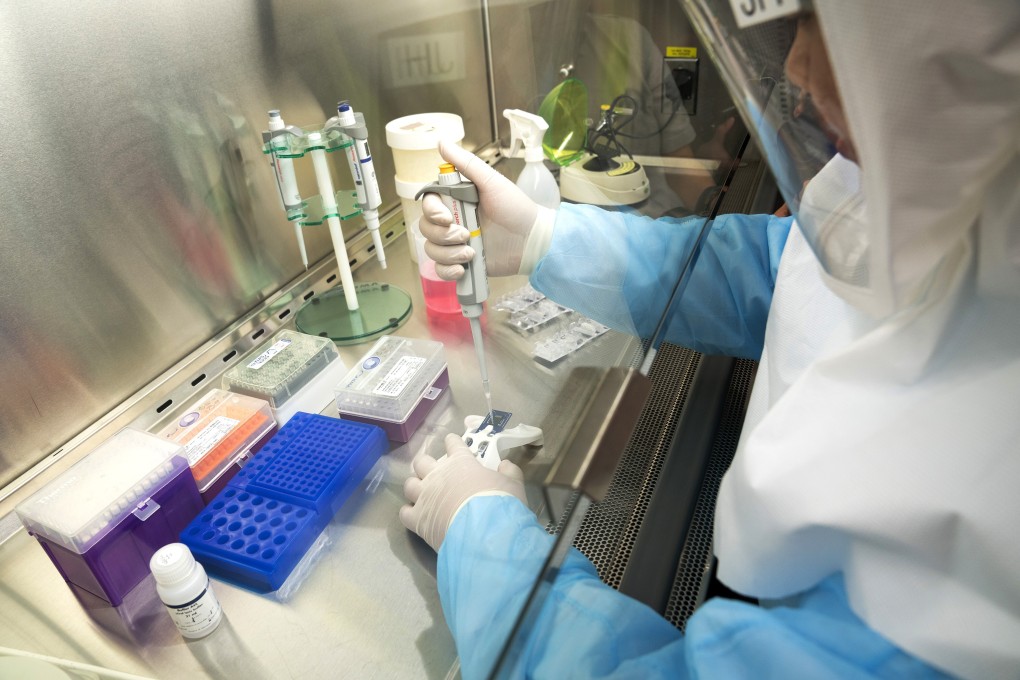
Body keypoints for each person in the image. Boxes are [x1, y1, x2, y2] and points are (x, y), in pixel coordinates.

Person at [400, 2, 1020, 678]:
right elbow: (786, 269)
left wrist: (487, 543)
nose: (796, 65)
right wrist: (548, 236)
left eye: (819, 21)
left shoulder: (972, 572)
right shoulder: (971, 176)